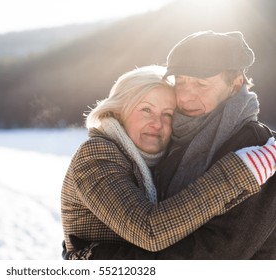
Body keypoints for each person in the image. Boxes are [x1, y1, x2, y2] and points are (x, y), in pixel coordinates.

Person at [61, 64, 276, 260]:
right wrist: (242, 170)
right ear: (118, 111)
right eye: (146, 109)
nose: (157, 123)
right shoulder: (97, 154)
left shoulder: (156, 162)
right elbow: (149, 230)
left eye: (167, 114)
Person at [152, 30, 276, 259]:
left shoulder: (258, 149)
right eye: (180, 81)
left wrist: (108, 259)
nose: (186, 96)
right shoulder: (171, 135)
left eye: (201, 84)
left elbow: (215, 254)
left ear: (235, 84)